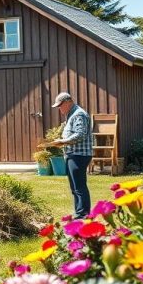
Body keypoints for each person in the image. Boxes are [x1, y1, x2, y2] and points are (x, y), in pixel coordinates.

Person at [49, 92, 93, 220]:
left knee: (79, 186)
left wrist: (62, 141)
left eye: (60, 105)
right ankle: (79, 213)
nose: (59, 108)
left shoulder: (79, 114)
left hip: (79, 155)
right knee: (74, 187)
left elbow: (80, 134)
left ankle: (83, 214)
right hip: (72, 154)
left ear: (68, 101)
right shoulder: (71, 114)